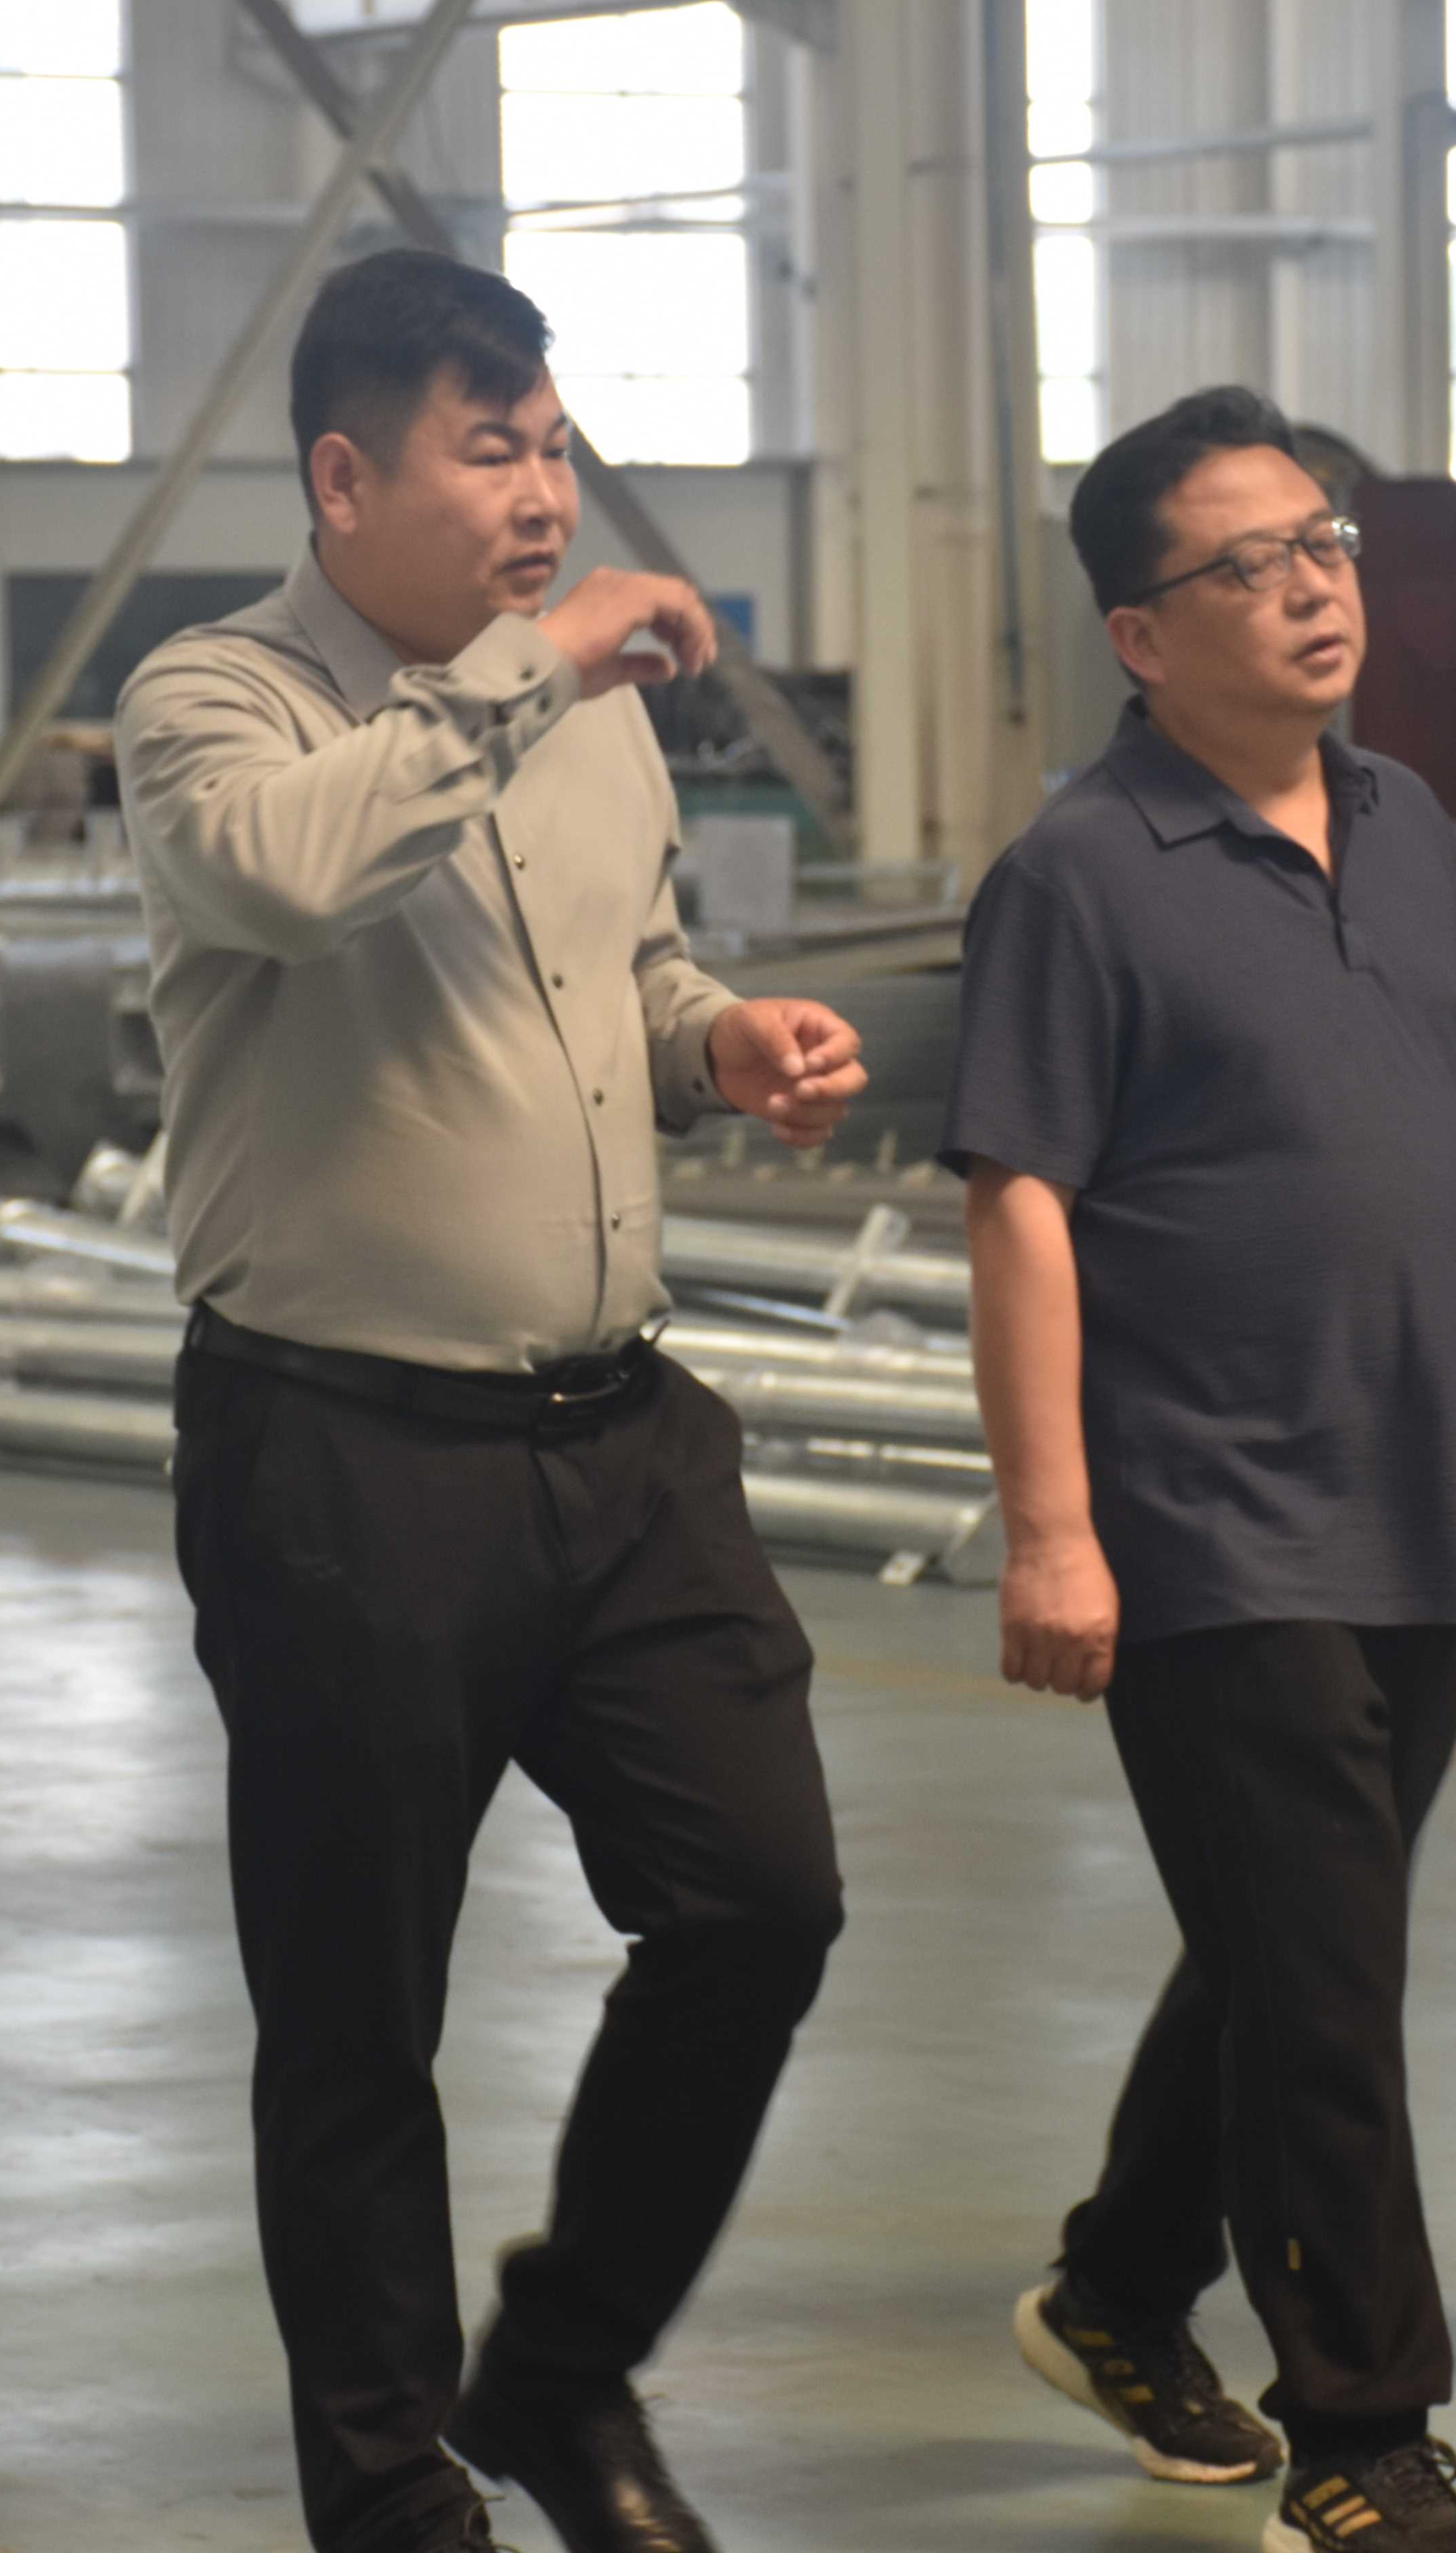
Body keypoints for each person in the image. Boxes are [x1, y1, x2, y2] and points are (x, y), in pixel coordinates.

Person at [115, 246, 868, 2553]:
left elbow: (627, 968)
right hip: (347, 1458)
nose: (545, 496)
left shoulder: (585, 710)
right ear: (346, 477)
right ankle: (390, 2501)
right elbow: (288, 883)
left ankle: (555, 2368)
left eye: (555, 449)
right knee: (359, 2019)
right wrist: (530, 674)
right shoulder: (211, 701)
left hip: (619, 1446)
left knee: (760, 1900)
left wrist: (720, 1041)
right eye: (489, 451)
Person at [943, 386, 1456, 2553]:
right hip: (1211, 1513)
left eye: (1325, 545)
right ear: (1141, 632)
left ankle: (1120, 2286)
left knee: (1296, 1944)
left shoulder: (1407, 823)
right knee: (1326, 1991)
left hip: (1409, 1495)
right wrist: (1054, 1532)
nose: (1312, 588)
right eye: (1249, 564)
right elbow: (1019, 1204)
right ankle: (1365, 2439)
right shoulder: (1080, 876)